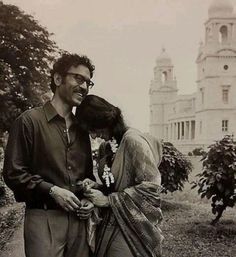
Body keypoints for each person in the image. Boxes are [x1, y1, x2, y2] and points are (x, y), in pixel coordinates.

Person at [3, 53, 96, 257]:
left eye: (88, 82)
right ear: (57, 79)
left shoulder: (82, 130)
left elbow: (89, 175)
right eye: (78, 78)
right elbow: (13, 173)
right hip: (42, 218)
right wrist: (52, 191)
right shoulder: (28, 121)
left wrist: (89, 198)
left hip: (79, 222)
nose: (84, 87)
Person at [76, 95, 164, 257]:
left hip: (131, 229)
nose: (93, 136)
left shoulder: (133, 141)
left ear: (104, 121)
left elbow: (151, 189)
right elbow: (117, 186)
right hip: (110, 223)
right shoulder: (106, 147)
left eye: (93, 129)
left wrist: (108, 200)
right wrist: (98, 187)